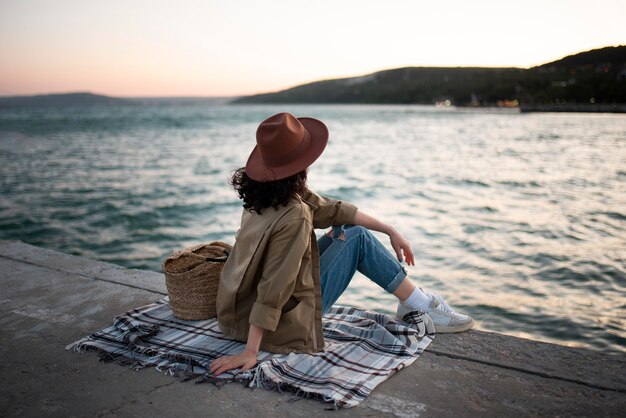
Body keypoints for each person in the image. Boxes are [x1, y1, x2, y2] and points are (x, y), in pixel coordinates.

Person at [210, 112, 473, 376]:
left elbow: (333, 210)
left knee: (347, 229)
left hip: (235, 315)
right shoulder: (295, 214)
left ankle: (416, 302)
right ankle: (419, 304)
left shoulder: (262, 198)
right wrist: (251, 352)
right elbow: (274, 285)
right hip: (279, 327)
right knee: (356, 237)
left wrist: (390, 230)